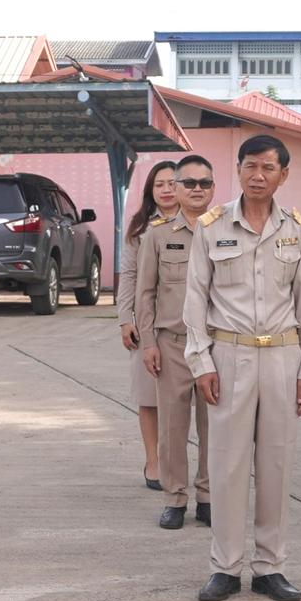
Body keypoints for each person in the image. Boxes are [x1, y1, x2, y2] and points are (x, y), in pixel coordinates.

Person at [184, 135, 301, 601]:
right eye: (250, 166)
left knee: (276, 466)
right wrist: (200, 361)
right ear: (237, 169)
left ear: (284, 174)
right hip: (229, 356)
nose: (258, 175)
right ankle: (224, 567)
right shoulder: (211, 226)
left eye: (268, 168)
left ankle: (270, 568)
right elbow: (195, 299)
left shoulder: (297, 230)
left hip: (282, 357)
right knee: (226, 466)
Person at [136, 154, 215, 530]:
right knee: (172, 428)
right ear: (177, 188)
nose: (197, 190)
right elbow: (145, 292)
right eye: (189, 183)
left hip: (218, 345)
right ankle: (174, 499)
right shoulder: (158, 234)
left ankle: (208, 497)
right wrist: (148, 342)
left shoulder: (227, 231)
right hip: (172, 344)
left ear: (213, 189)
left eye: (205, 184)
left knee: (214, 425)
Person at [120, 161, 178, 489]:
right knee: (148, 396)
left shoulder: (203, 225)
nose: (167, 190)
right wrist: (124, 320)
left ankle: (179, 462)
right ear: (150, 191)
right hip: (147, 324)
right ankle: (153, 462)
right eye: (160, 184)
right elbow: (128, 275)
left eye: (173, 183)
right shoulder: (140, 228)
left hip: (187, 324)